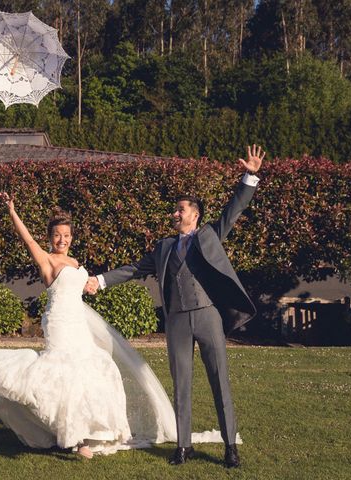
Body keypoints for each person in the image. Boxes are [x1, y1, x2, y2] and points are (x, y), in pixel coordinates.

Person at [85, 144, 266, 468]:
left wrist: (249, 176)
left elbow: (233, 210)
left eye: (180, 210)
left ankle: (229, 447)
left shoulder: (210, 234)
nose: (175, 214)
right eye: (175, 210)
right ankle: (184, 447)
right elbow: (133, 269)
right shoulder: (163, 247)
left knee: (219, 380)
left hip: (208, 316)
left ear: (194, 215)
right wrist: (99, 280)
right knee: (181, 383)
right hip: (178, 321)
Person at [0, 193, 179, 458]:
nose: (62, 240)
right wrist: (12, 211)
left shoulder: (75, 261)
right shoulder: (47, 260)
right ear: (50, 237)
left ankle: (88, 432)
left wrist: (91, 284)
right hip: (59, 322)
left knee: (91, 370)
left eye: (67, 235)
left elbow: (79, 285)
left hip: (78, 322)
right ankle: (74, 438)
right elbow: (27, 239)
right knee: (63, 375)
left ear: (72, 237)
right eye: (57, 235)